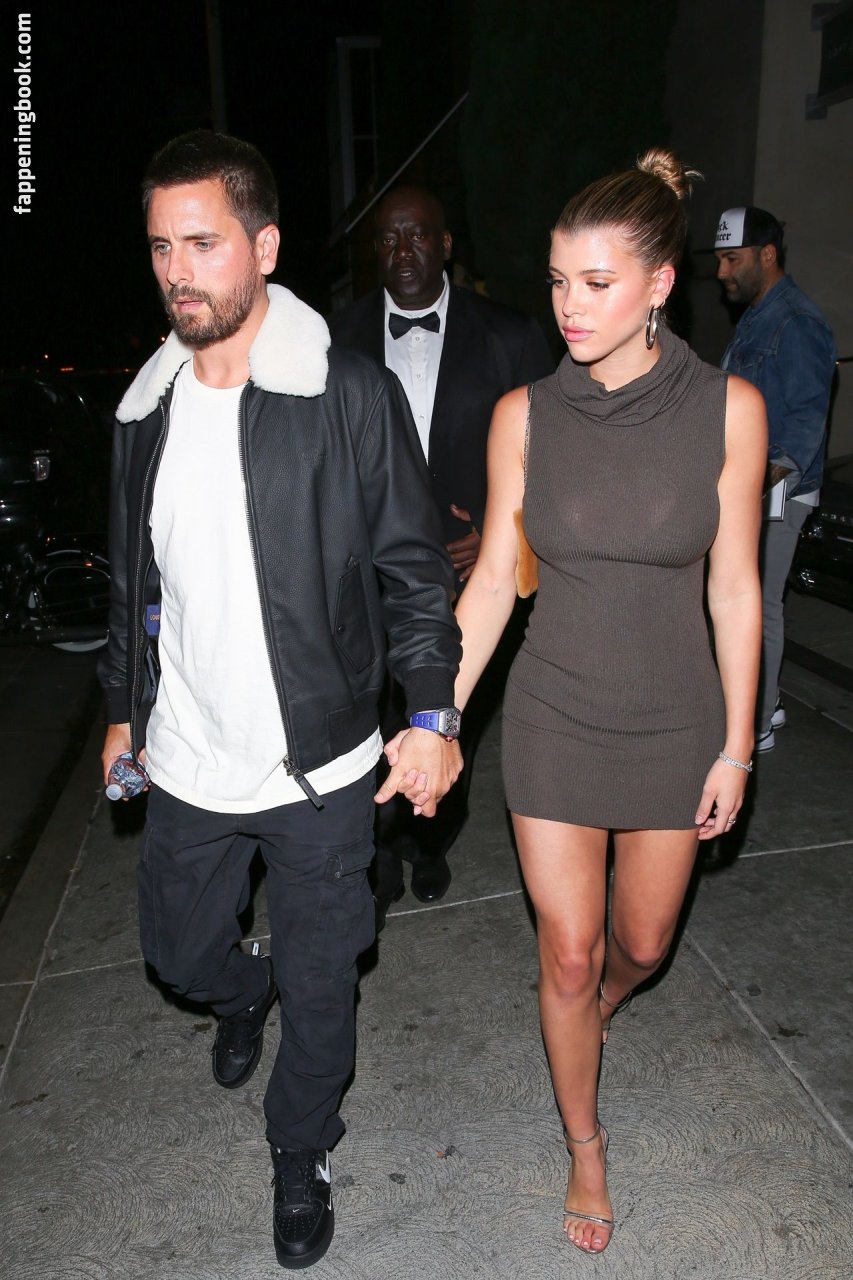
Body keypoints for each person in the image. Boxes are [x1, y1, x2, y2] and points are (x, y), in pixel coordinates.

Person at [387, 149, 767, 1254]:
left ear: (659, 284)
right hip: (553, 716)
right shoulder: (525, 415)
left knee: (638, 945)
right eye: (558, 281)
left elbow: (736, 589)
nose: (569, 306)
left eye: (596, 283)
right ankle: (584, 1142)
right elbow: (491, 586)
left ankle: (599, 1008)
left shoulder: (729, 409)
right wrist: (435, 716)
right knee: (567, 950)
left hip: (675, 720)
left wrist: (735, 746)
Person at [98, 130, 463, 1271]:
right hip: (187, 757)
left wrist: (432, 714)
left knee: (324, 983)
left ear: (262, 247)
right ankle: (237, 988)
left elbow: (414, 575)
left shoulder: (344, 394)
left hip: (323, 763)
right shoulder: (143, 412)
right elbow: (130, 585)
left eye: (202, 243)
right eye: (161, 246)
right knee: (178, 956)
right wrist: (122, 708)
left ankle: (299, 1151)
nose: (178, 270)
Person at [329, 184, 552, 919]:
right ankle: (379, 846)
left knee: (453, 707)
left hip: (469, 571)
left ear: (446, 244)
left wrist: (496, 530)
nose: (402, 251)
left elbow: (549, 456)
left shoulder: (510, 335)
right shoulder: (336, 336)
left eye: (417, 235)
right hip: (364, 570)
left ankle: (432, 839)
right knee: (371, 710)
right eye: (388, 239)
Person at [714, 207, 836, 750]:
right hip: (752, 487)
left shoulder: (797, 322)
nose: (722, 272)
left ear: (767, 255)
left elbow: (804, 425)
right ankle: (770, 703)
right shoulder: (760, 316)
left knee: (756, 605)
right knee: (743, 598)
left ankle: (756, 723)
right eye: (720, 260)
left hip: (777, 493)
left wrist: (751, 490)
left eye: (732, 259)